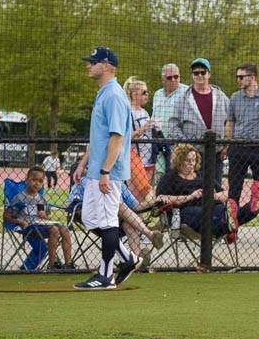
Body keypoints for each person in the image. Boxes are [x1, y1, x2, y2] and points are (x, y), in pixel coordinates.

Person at [74, 46, 139, 290]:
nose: (89, 65)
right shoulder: (104, 92)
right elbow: (99, 136)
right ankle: (127, 257)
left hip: (108, 171)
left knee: (108, 220)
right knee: (91, 219)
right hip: (96, 169)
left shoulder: (113, 94)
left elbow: (117, 137)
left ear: (108, 66)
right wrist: (84, 162)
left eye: (94, 62)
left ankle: (106, 275)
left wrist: (105, 170)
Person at [225, 62, 259, 246]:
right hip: (238, 149)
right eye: (237, 76)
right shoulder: (234, 98)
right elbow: (230, 123)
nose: (238, 80)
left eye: (241, 76)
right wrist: (228, 145)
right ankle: (229, 230)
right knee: (233, 192)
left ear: (252, 77)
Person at [154, 143, 254, 240]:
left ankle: (252, 207)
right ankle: (228, 224)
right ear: (179, 161)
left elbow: (227, 194)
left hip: (213, 207)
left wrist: (212, 196)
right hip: (187, 211)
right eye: (188, 160)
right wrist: (190, 197)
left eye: (194, 160)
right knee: (207, 214)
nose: (191, 163)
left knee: (225, 209)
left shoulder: (202, 176)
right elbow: (160, 198)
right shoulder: (170, 178)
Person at [4, 165, 74, 271]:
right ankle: (52, 264)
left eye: (40, 181)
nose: (37, 183)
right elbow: (7, 216)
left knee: (64, 229)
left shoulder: (40, 199)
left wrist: (44, 216)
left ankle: (68, 264)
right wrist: (19, 221)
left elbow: (45, 215)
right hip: (29, 226)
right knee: (54, 230)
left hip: (40, 224)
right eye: (34, 180)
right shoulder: (19, 198)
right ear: (27, 180)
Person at [169, 57, 230, 140]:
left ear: (209, 74)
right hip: (192, 151)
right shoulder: (182, 99)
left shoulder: (221, 97)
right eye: (196, 73)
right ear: (192, 76)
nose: (199, 75)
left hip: (219, 148)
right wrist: (186, 147)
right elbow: (173, 125)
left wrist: (226, 145)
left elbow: (230, 121)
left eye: (203, 72)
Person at [151, 63, 184, 172]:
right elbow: (154, 116)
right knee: (159, 175)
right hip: (158, 143)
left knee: (175, 176)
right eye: (170, 77)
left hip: (178, 144)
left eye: (176, 76)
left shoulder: (187, 92)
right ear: (163, 80)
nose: (173, 79)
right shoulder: (157, 94)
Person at [125, 77, 155, 181]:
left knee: (146, 193)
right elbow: (125, 137)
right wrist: (142, 129)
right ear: (134, 94)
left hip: (149, 158)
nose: (147, 94)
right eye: (144, 92)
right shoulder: (128, 112)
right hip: (135, 159)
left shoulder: (145, 112)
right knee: (135, 193)